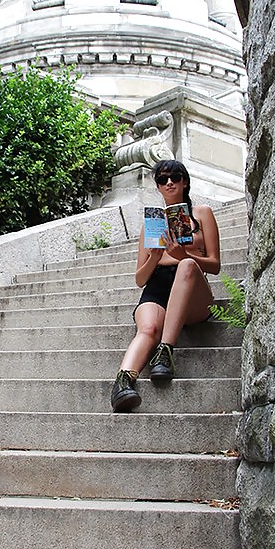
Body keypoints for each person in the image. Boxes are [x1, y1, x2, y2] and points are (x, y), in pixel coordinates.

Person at [110, 160, 220, 413]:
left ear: (184, 182)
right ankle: (123, 383)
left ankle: (165, 352)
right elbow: (140, 279)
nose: (169, 182)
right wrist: (155, 257)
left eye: (174, 177)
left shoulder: (202, 213)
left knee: (188, 266)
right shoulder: (152, 224)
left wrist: (183, 255)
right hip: (157, 287)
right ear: (158, 186)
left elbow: (214, 265)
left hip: (193, 291)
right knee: (147, 327)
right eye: (162, 179)